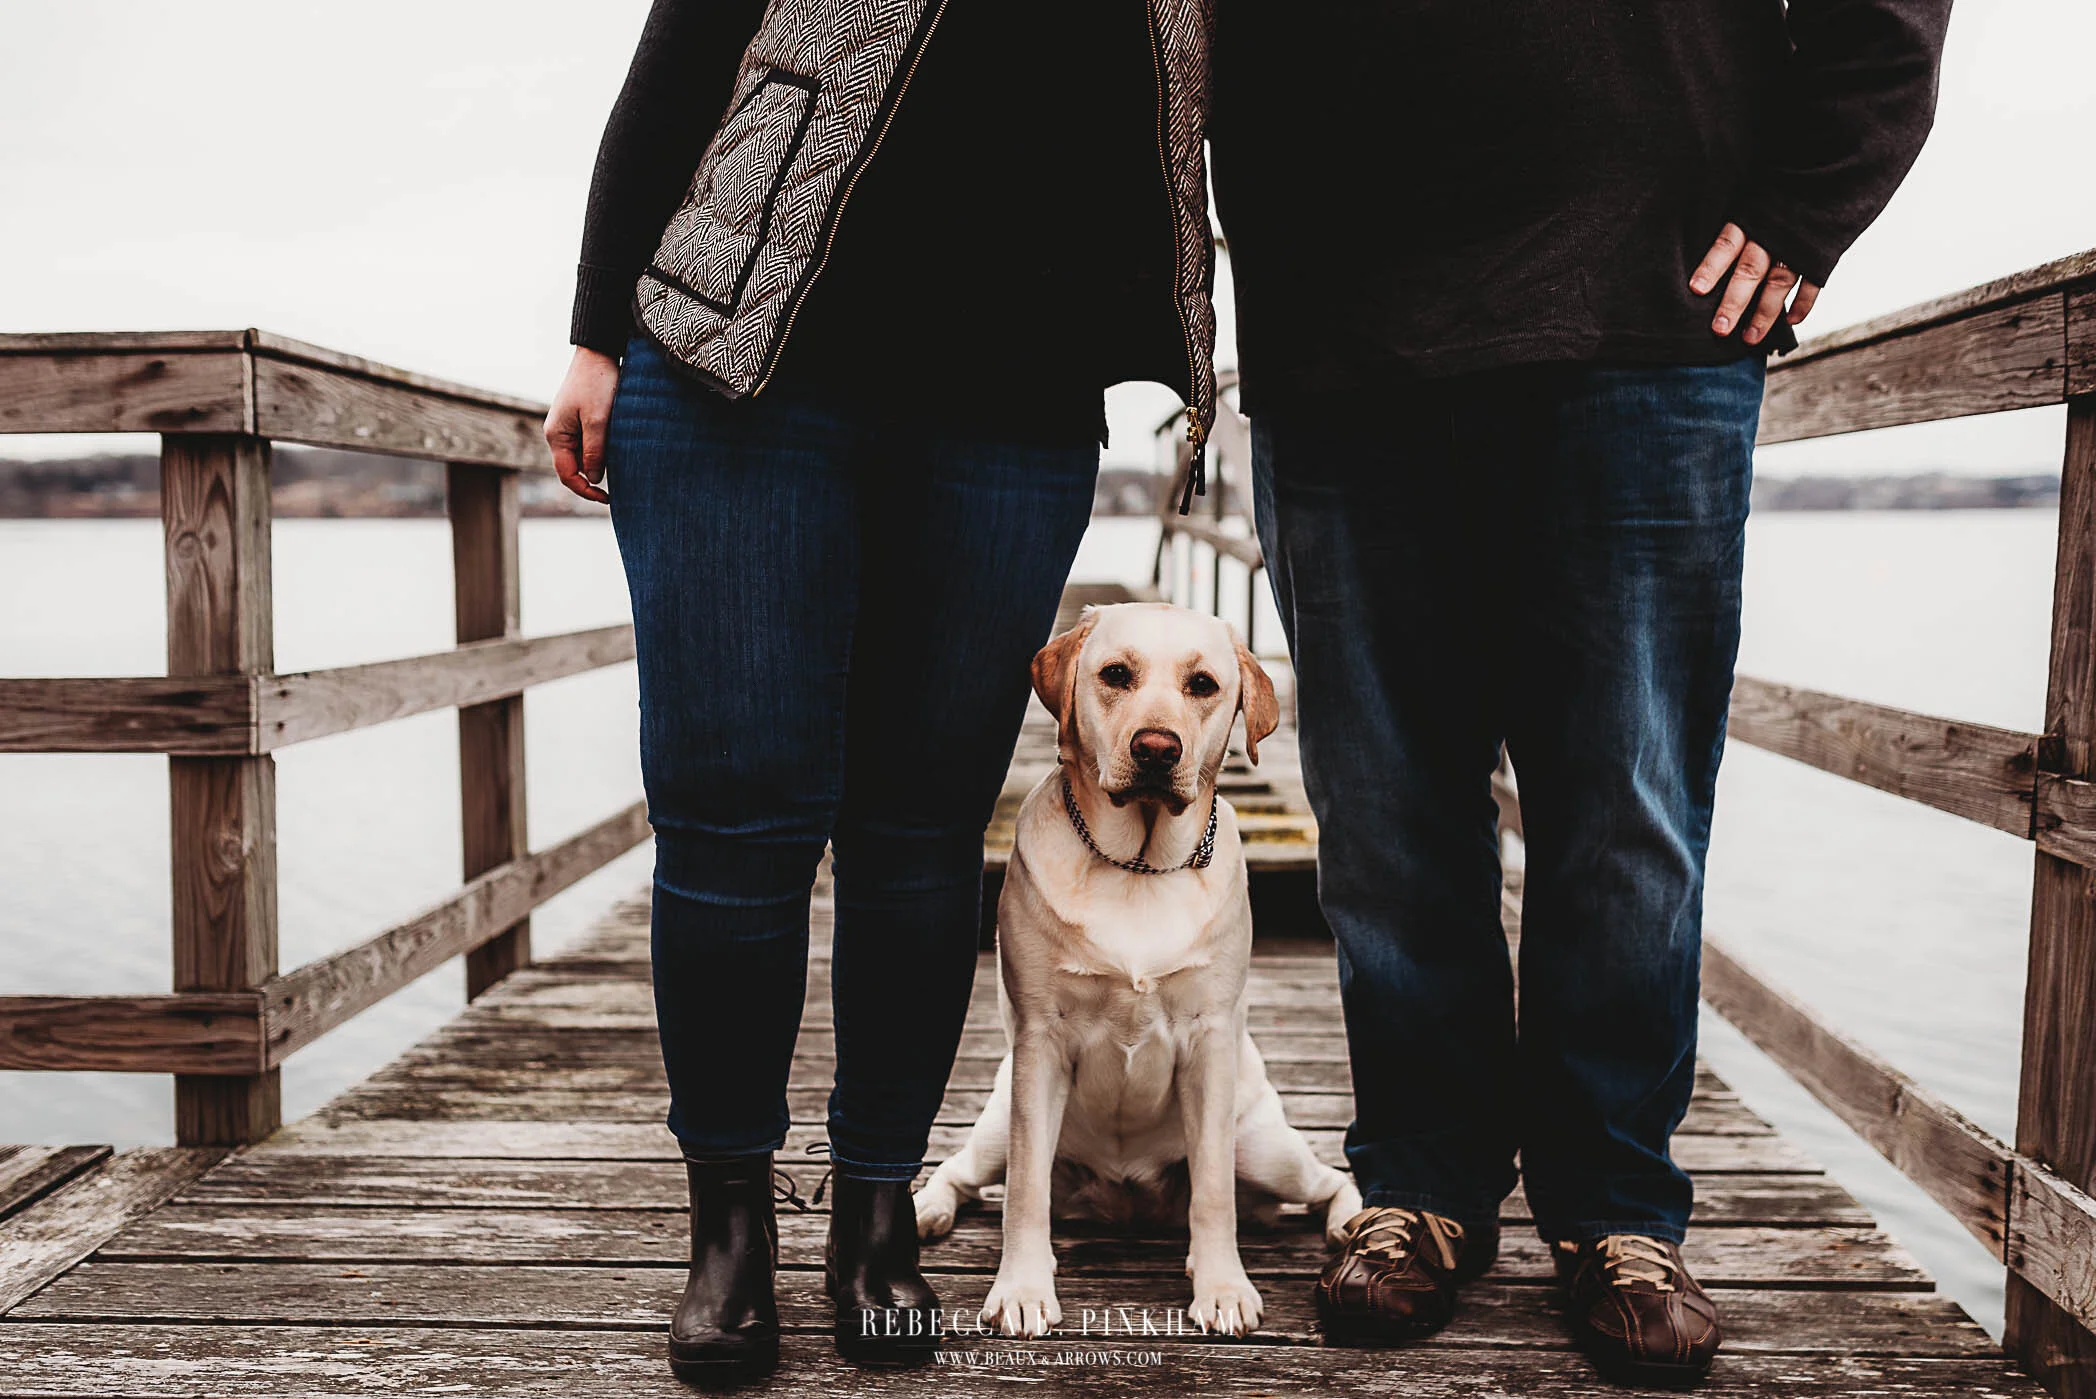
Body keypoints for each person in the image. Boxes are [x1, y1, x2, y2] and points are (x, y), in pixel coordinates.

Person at [1209, 0, 1953, 1384]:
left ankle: (1615, 1209)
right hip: (1337, 328)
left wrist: (1806, 201)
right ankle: (1422, 1188)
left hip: (1640, 312)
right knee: (1381, 812)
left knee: (1626, 807)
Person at [542, 0, 1222, 1380]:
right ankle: (728, 1232)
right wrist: (597, 333)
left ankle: (874, 1225)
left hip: (1015, 400)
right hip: (747, 372)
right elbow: (683, 60)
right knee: (736, 815)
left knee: (919, 832)